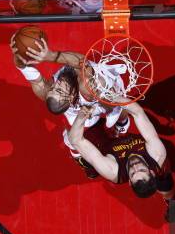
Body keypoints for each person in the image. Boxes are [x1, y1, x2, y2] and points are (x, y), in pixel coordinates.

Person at [11, 35, 130, 177]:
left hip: (92, 93)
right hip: (91, 100)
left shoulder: (47, 90)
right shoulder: (85, 88)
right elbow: (80, 62)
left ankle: (121, 123)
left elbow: (22, 67)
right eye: (60, 90)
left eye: (55, 88)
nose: (58, 83)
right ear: (71, 96)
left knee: (114, 108)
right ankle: (120, 124)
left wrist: (19, 53)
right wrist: (50, 56)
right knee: (74, 138)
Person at [68, 100, 175, 204]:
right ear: (152, 172)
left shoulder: (112, 170)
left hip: (103, 146)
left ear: (129, 181)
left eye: (133, 173)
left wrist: (81, 116)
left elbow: (75, 140)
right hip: (119, 137)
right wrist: (113, 97)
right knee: (121, 109)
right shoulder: (157, 153)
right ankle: (170, 201)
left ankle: (90, 170)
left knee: (69, 138)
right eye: (142, 169)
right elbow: (138, 112)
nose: (135, 166)